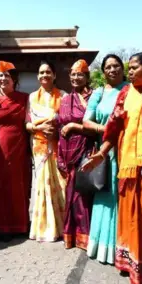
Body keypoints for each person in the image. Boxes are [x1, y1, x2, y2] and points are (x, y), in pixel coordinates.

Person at [83, 51, 142, 284]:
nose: (129, 71)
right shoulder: (125, 94)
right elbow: (113, 129)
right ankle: (132, 264)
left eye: (134, 67)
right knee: (131, 217)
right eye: (129, 68)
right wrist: (102, 153)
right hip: (127, 166)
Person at [82, 54, 128, 264]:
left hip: (127, 149)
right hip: (104, 150)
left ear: (122, 68)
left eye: (116, 66)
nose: (112, 70)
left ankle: (124, 248)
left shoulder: (130, 89)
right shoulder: (99, 93)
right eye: (108, 67)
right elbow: (86, 121)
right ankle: (102, 247)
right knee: (105, 193)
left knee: (124, 196)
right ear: (103, 72)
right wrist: (108, 130)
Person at [0, 61, 32, 241]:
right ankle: (2, 226)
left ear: (14, 79)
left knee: (20, 185)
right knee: (0, 186)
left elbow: (30, 120)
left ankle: (20, 224)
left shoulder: (24, 98)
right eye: (0, 75)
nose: (3, 78)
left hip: (20, 149)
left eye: (7, 76)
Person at [26, 60, 67, 242]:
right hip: (40, 146)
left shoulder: (64, 96)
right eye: (41, 72)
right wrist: (39, 128)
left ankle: (62, 226)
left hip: (58, 145)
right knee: (43, 184)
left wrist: (55, 131)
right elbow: (27, 124)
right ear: (37, 76)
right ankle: (45, 228)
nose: (45, 75)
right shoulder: (32, 98)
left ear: (54, 75)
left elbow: (66, 122)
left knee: (59, 184)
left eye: (48, 72)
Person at [57, 59, 94, 250]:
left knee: (83, 195)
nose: (75, 77)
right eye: (72, 74)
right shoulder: (65, 99)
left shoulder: (94, 97)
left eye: (79, 74)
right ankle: (71, 234)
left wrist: (74, 126)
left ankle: (86, 236)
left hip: (87, 149)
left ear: (87, 77)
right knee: (70, 194)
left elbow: (97, 126)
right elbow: (59, 126)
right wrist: (60, 155)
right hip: (67, 151)